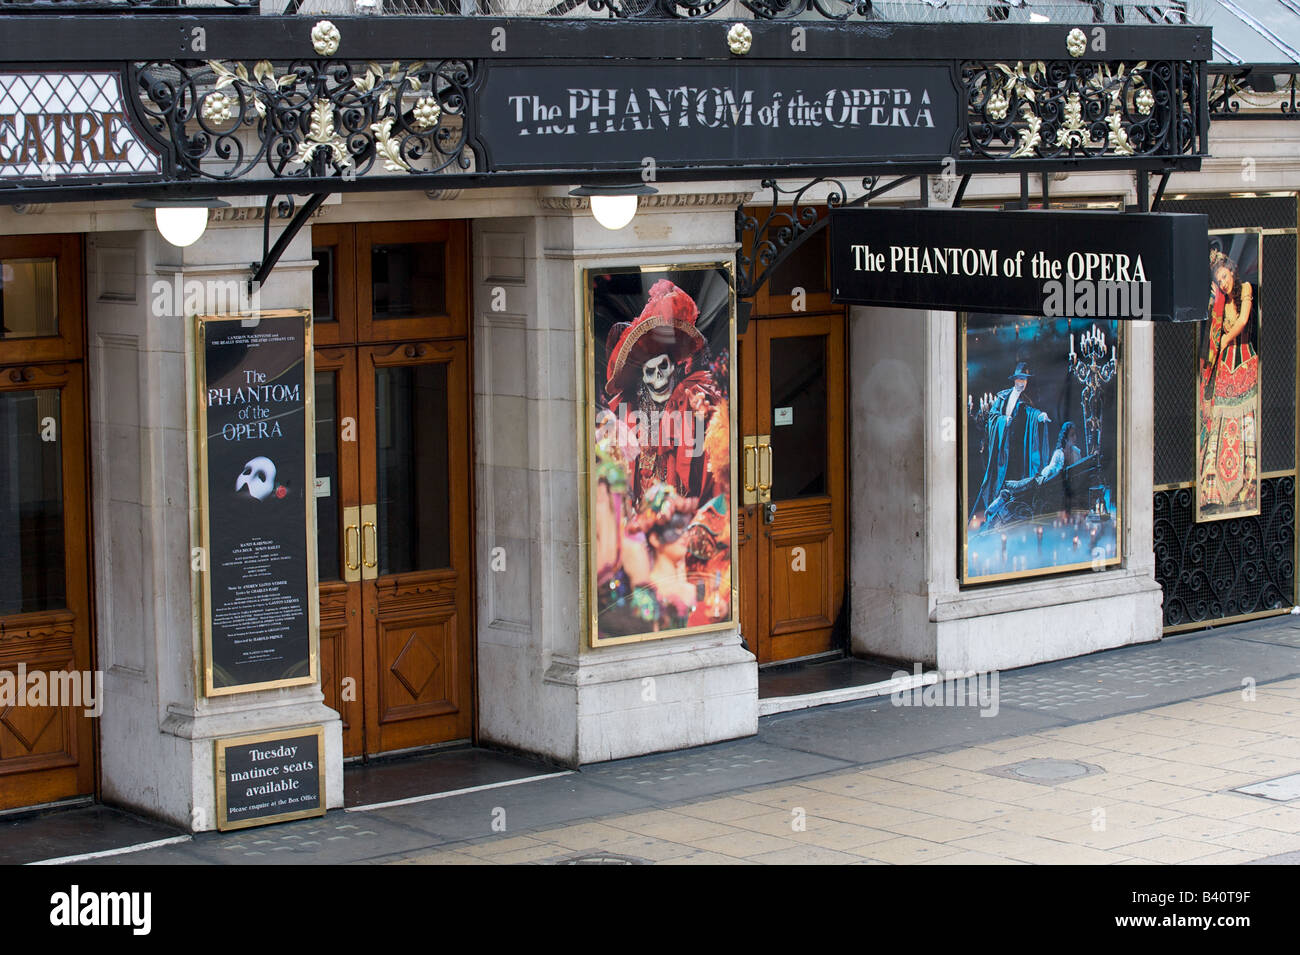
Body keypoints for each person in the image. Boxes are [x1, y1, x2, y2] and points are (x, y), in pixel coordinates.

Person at [603, 280, 720, 510]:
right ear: (642, 378)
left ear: (673, 367)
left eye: (663, 367)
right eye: (650, 371)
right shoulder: (630, 413)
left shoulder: (689, 397)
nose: (659, 377)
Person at [1199, 249, 1259, 512]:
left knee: (1246, 429)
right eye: (1219, 279)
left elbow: (1244, 320)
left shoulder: (1245, 288)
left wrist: (1225, 339)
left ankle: (1247, 488)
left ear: (1232, 271)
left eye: (1224, 276)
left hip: (1245, 366)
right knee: (1219, 429)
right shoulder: (1219, 302)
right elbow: (1211, 333)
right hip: (1224, 369)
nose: (1224, 282)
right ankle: (1213, 490)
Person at [970, 361, 1052, 529]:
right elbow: (992, 416)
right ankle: (994, 515)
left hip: (1014, 452)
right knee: (998, 479)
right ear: (1015, 380)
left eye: (1025, 380)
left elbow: (1031, 413)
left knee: (1013, 481)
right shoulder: (1002, 397)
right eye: (1020, 379)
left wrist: (1040, 416)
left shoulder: (1025, 400)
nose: (1022, 383)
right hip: (1001, 448)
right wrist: (1003, 421)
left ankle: (1010, 516)